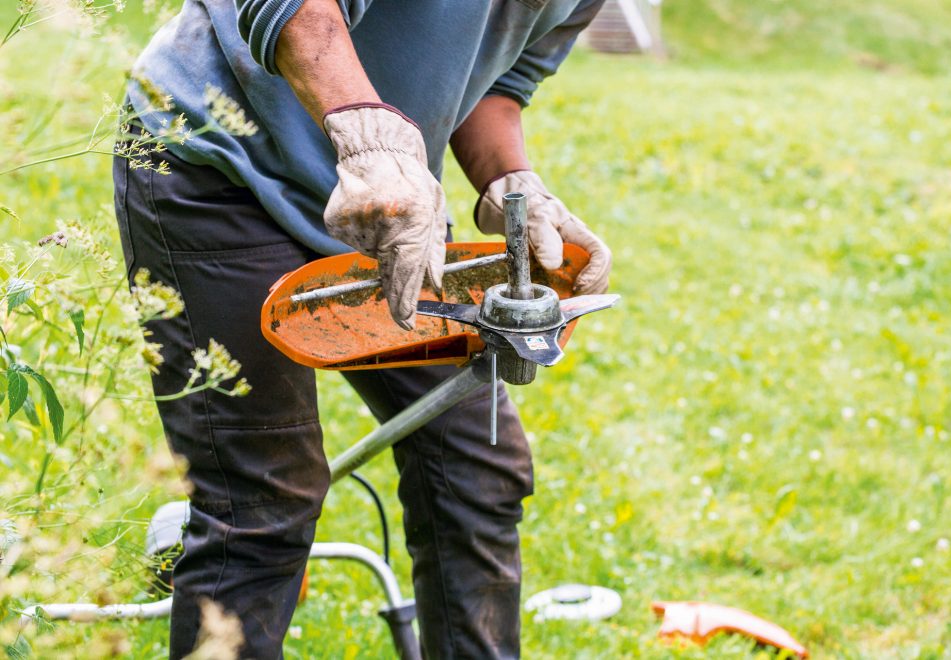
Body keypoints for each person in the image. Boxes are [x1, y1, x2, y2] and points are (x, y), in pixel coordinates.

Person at [115, 1, 612, 657]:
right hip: (216, 168)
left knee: (475, 467)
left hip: (386, 206)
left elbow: (493, 84)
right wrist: (369, 140)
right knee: (261, 502)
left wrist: (509, 177)